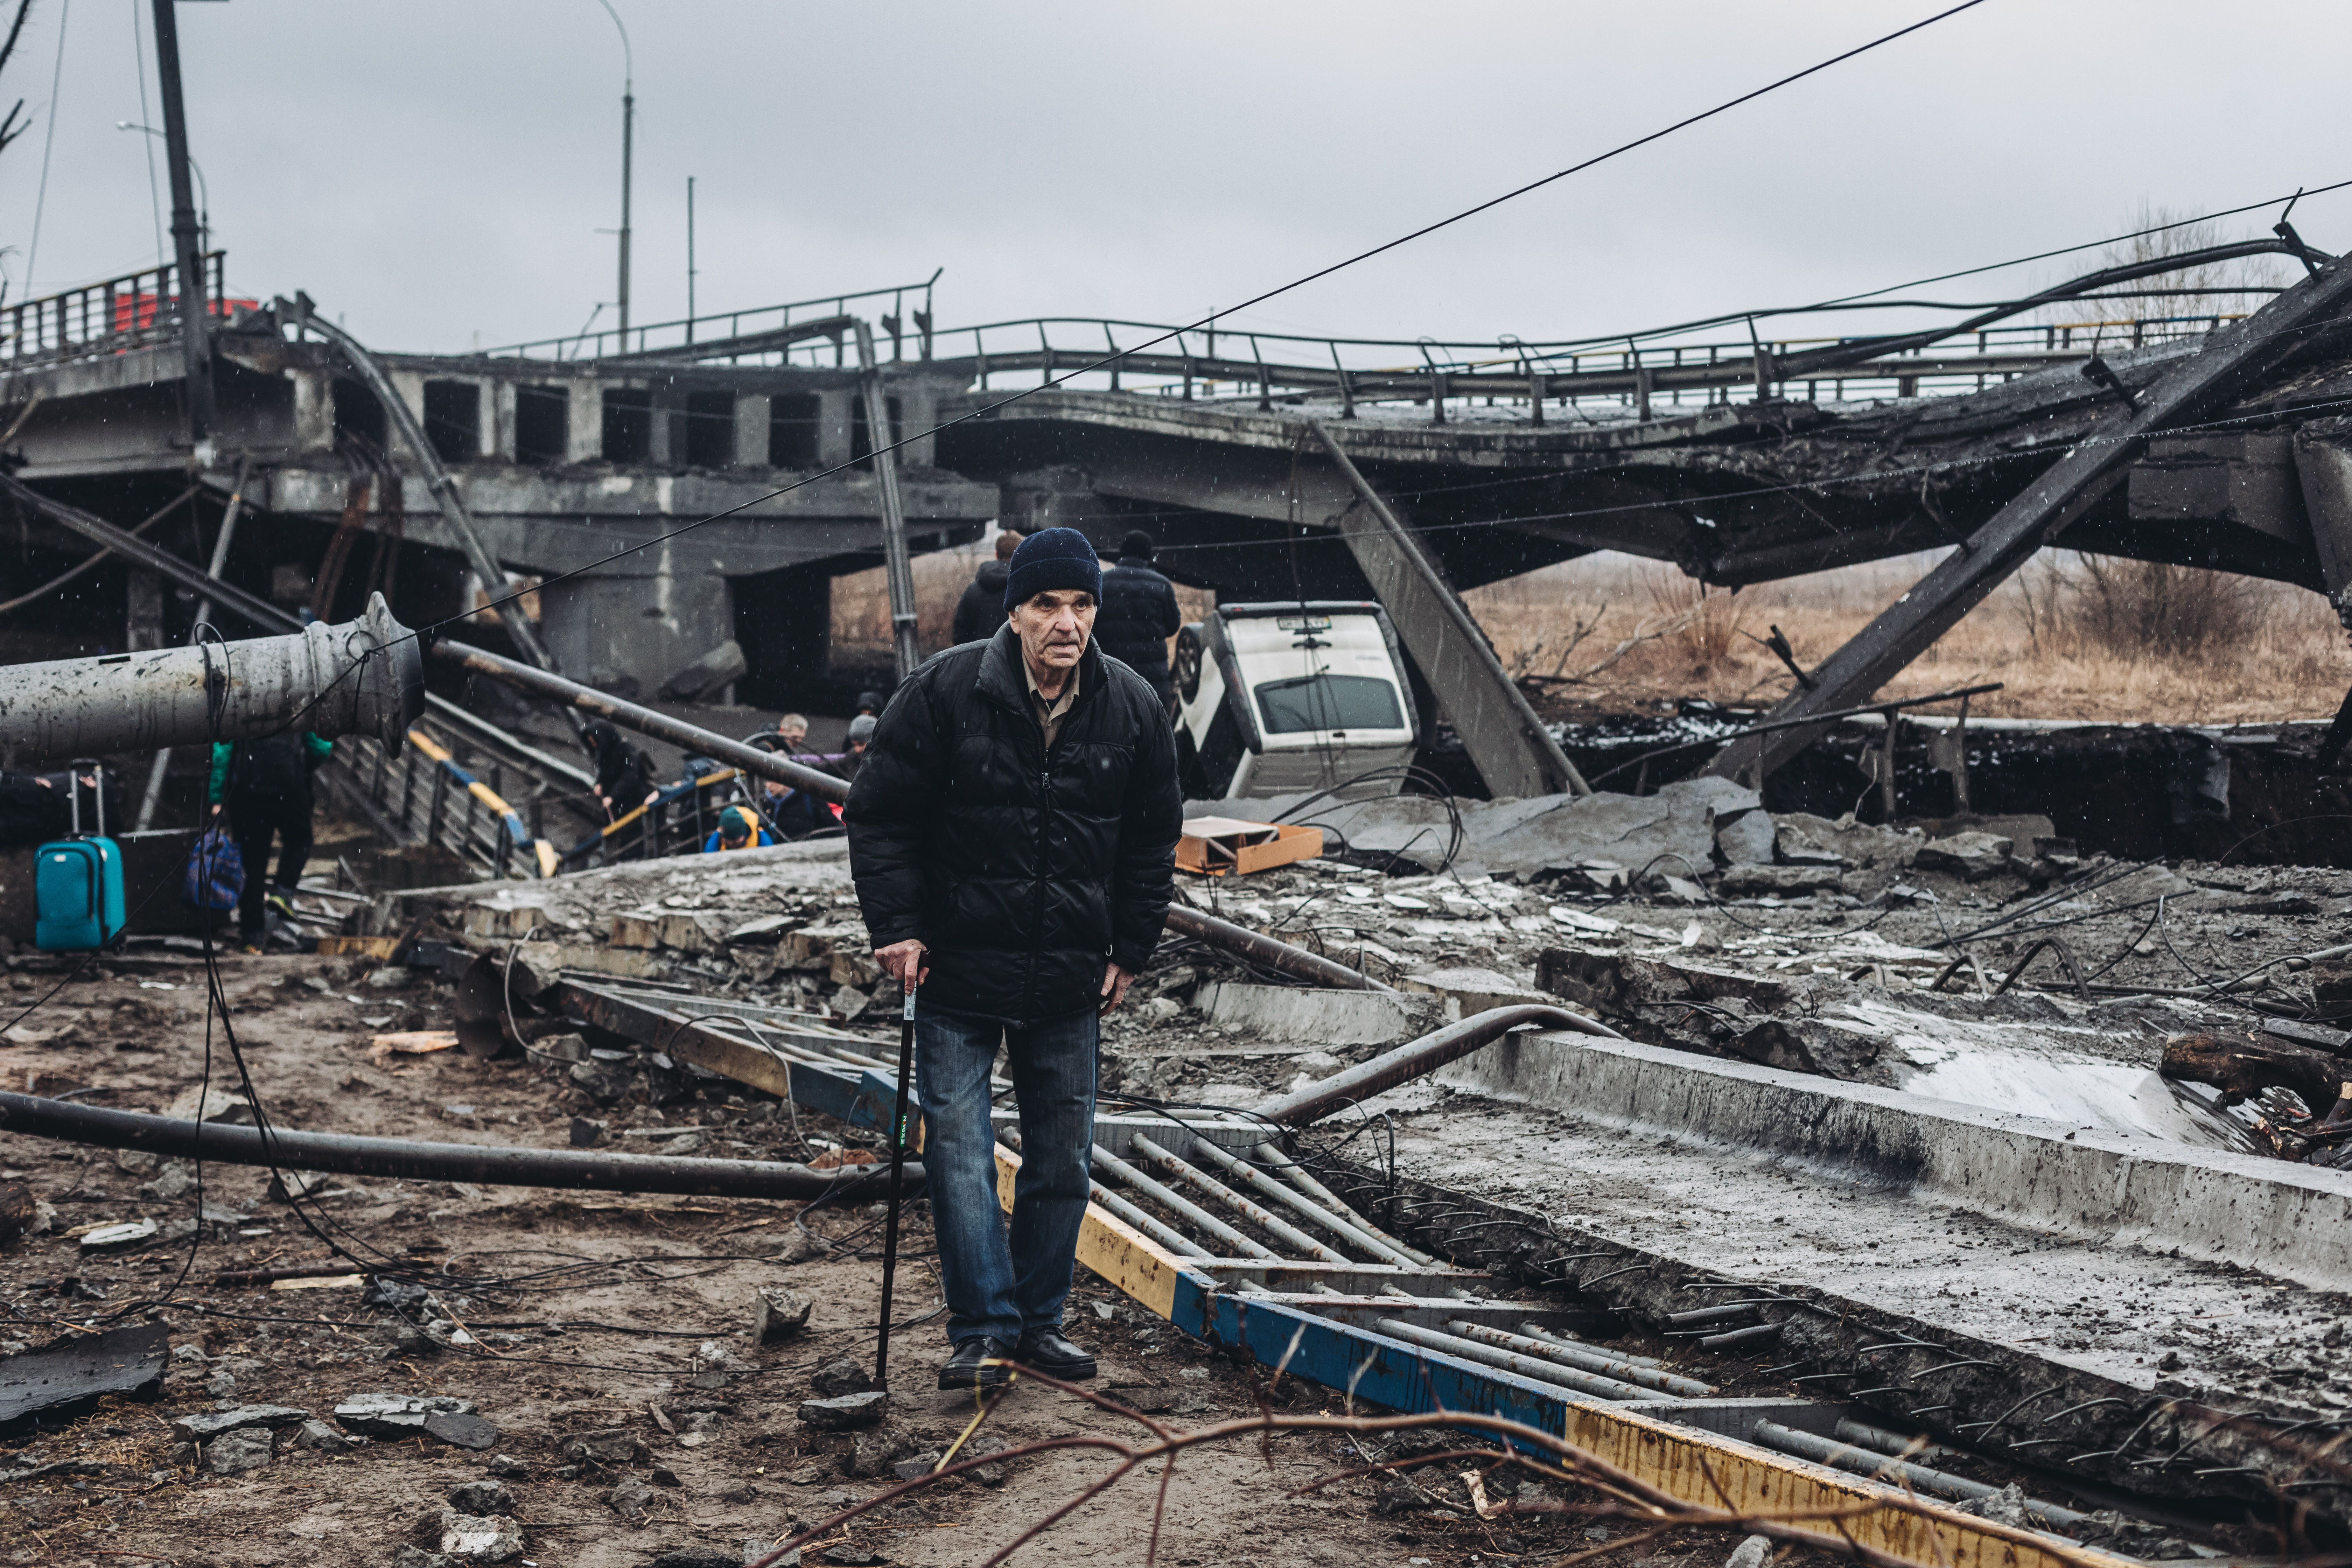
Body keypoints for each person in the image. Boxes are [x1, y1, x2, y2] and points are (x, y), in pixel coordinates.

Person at [847, 526, 1182, 1392]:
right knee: (958, 1149)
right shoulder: (945, 691)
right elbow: (880, 814)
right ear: (1016, 612)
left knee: (1062, 1158)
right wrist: (898, 925)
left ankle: (1039, 1324)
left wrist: (1131, 949)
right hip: (954, 968)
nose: (1066, 624)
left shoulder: (1133, 705)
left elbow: (1153, 841)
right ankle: (984, 1330)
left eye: (1080, 605)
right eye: (1047, 606)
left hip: (1070, 974)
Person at [208, 732, 332, 951]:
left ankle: (252, 938)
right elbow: (321, 748)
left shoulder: (238, 703)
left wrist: (217, 796)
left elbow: (222, 751)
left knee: (252, 864)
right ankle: (282, 893)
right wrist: (303, 768)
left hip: (248, 794)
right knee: (300, 838)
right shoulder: (295, 701)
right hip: (289, 790)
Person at [1095, 529, 1183, 706]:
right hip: (1152, 678)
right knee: (1152, 728)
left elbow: (1091, 626)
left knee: (1112, 727)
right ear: (1148, 554)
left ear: (1123, 551)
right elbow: (1173, 626)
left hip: (1111, 674)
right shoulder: (1161, 584)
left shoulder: (1102, 582)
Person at [582, 719, 657, 857]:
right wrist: (599, 784)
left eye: (594, 741)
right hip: (616, 806)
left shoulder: (626, 750)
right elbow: (603, 773)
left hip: (631, 801)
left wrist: (613, 796)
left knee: (633, 834)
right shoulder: (603, 752)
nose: (593, 744)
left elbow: (630, 775)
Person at [950, 528, 1024, 646]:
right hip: (1015, 662)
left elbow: (960, 635)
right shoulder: (1025, 591)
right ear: (1021, 556)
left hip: (979, 661)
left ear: (996, 554)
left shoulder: (972, 590)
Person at [702, 804, 775, 852]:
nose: (732, 844)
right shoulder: (714, 843)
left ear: (744, 833)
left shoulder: (762, 839)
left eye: (736, 841)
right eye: (728, 840)